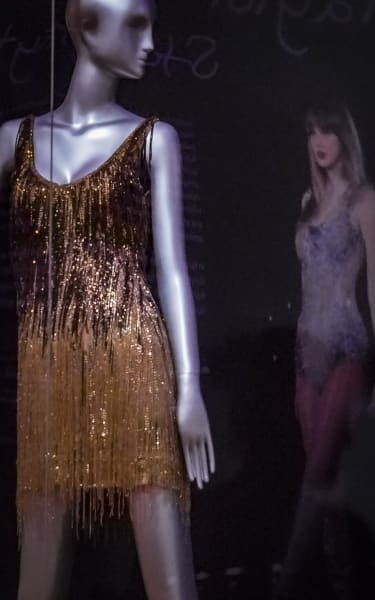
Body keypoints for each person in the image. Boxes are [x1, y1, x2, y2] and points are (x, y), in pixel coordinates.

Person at [0, 1, 215, 598]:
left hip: (134, 359)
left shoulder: (154, 140)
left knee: (169, 580)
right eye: (136, 24)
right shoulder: (14, 142)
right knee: (36, 579)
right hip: (47, 372)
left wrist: (189, 387)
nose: (151, 43)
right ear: (86, 26)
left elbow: (173, 270)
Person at [275, 100, 375, 599]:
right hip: (307, 356)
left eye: (327, 131)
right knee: (328, 481)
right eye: (311, 132)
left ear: (344, 137)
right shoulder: (308, 201)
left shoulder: (365, 201)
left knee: (319, 470)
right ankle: (344, 581)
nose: (318, 141)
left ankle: (286, 583)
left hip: (347, 348)